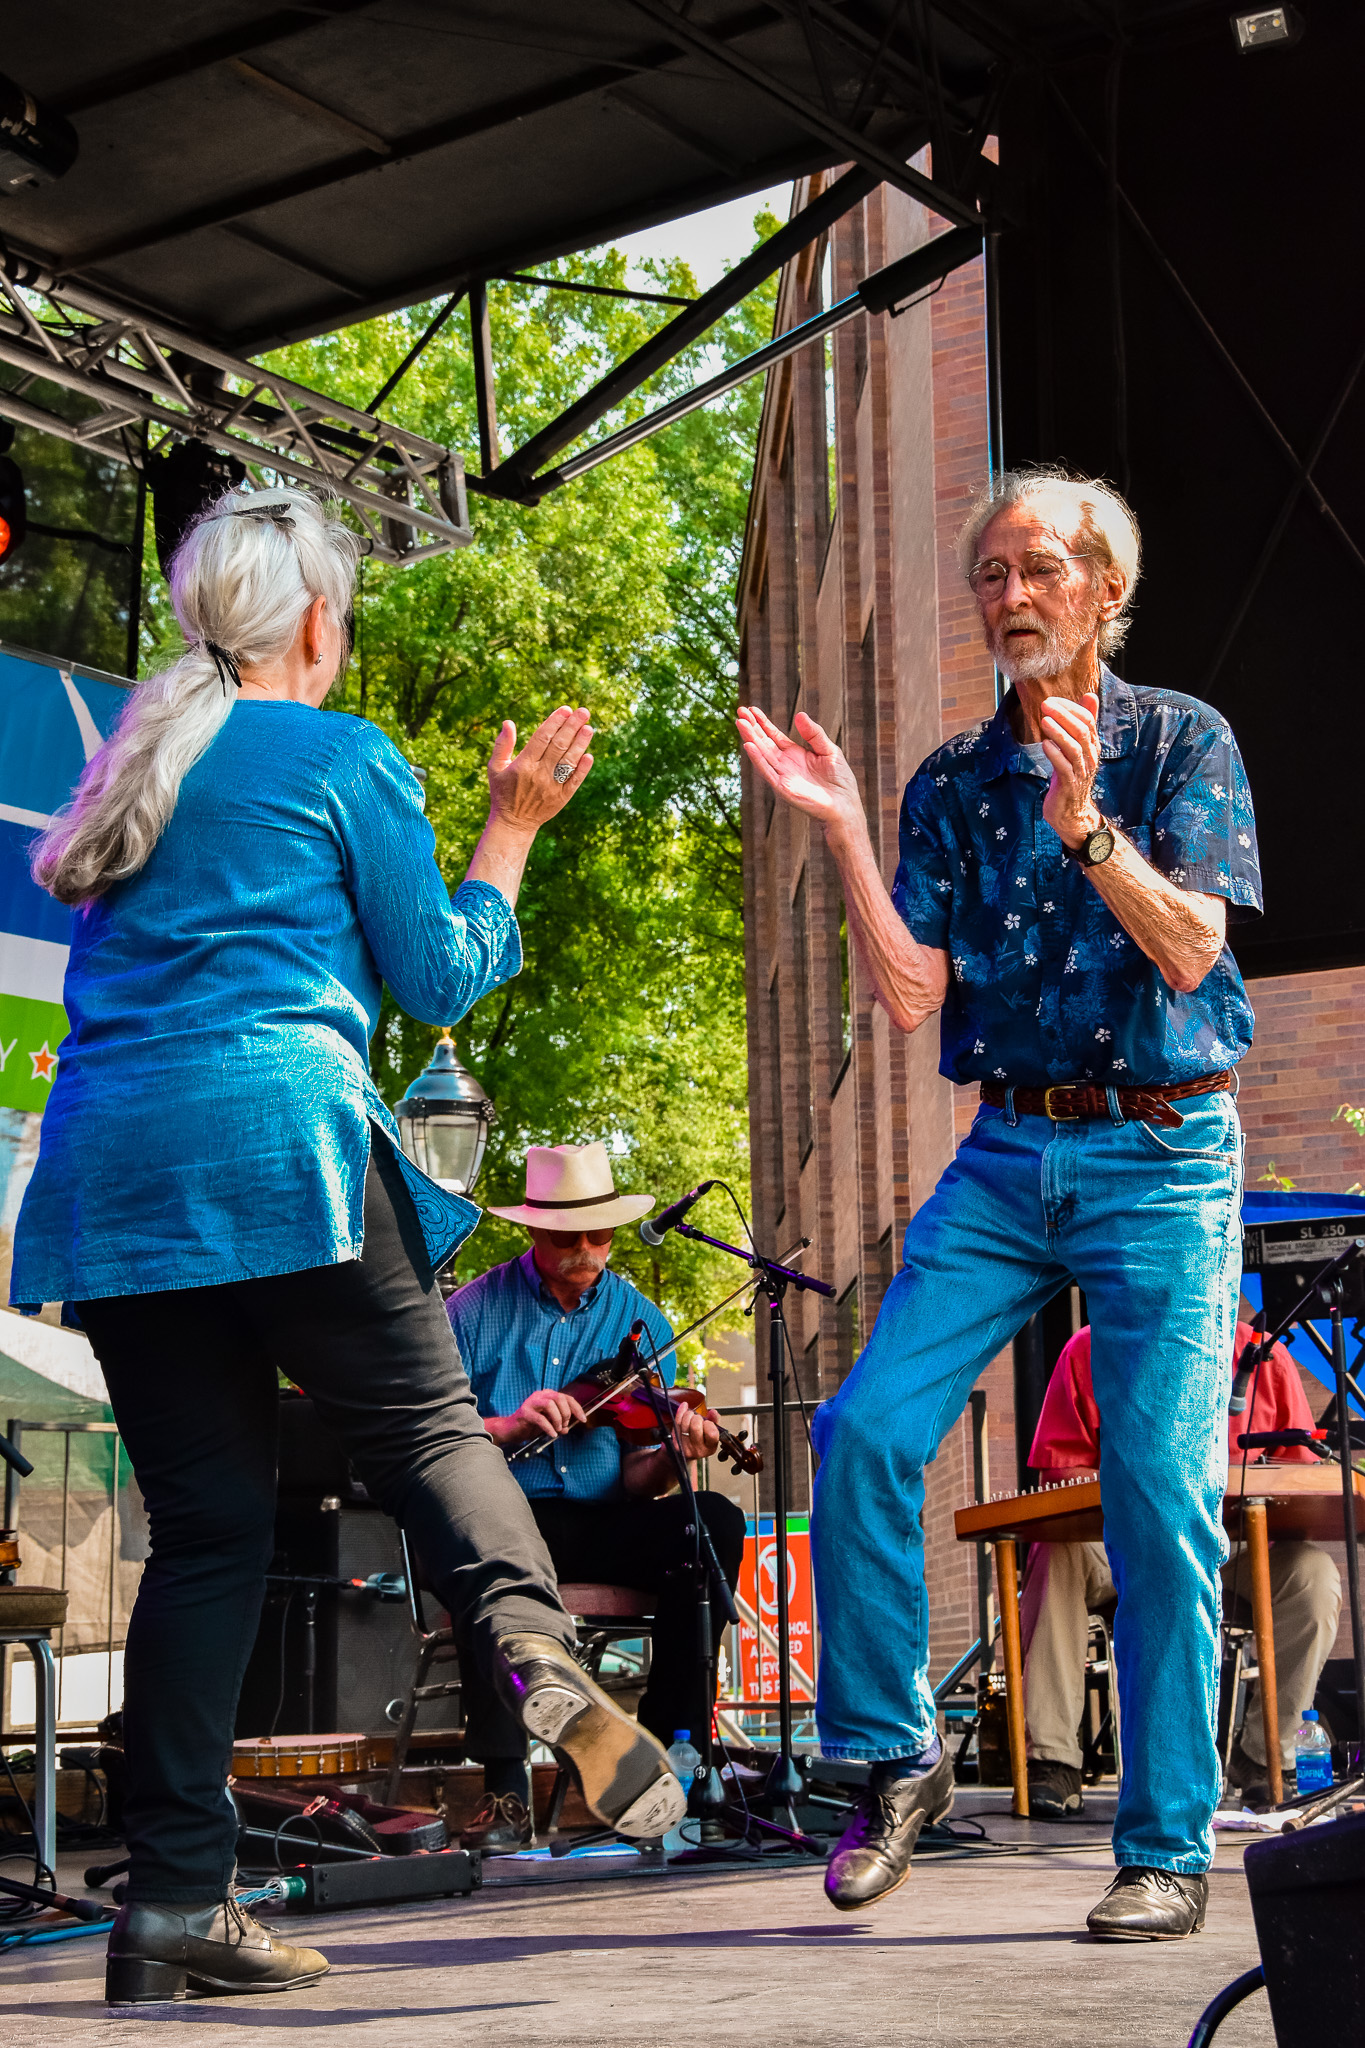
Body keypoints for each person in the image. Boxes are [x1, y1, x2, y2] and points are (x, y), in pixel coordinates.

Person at [11, 488, 684, 2006]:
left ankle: (171, 1906)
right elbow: (441, 976)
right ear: (319, 621)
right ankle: (541, 1657)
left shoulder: (138, 768)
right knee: (431, 1426)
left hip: (115, 1181)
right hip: (283, 1148)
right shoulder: (340, 755)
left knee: (205, 1540)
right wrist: (509, 828)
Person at [737, 464, 1263, 1939]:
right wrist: (843, 829)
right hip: (1005, 1156)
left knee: (1159, 1498)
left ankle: (1162, 1846)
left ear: (1104, 585)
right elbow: (911, 997)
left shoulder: (1178, 745)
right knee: (864, 1428)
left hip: (1161, 1156)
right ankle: (895, 1758)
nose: (1009, 596)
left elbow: (1185, 958)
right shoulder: (953, 785)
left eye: (1037, 568)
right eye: (990, 574)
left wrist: (1093, 827)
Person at [446, 1142, 746, 1851]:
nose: (583, 1251)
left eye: (597, 1235)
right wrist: (505, 1424)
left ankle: (679, 1756)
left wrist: (676, 1455)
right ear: (530, 1231)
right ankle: (504, 1787)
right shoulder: (471, 1311)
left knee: (712, 1526)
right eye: (563, 1238)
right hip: (506, 1514)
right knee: (477, 1550)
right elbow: (435, 1433)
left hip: (605, 1521)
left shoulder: (643, 1322)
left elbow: (641, 1476)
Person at [1023, 1321, 1341, 1814]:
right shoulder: (1089, 1348)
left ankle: (1264, 1759)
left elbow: (1298, 1469)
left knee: (1314, 1576)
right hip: (1120, 1539)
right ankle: (1052, 1759)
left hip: (1230, 1546)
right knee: (1053, 1552)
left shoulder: (1262, 1355)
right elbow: (1061, 1474)